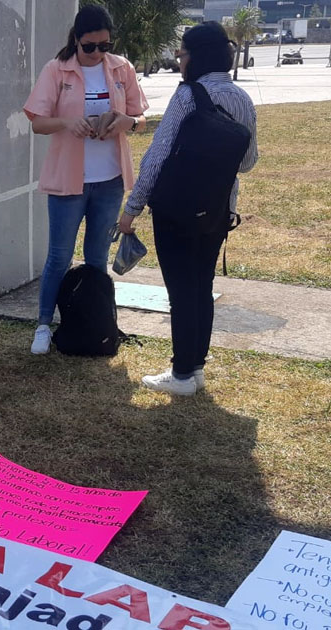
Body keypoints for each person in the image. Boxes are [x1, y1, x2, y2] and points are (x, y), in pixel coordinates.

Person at [118, 22, 259, 396]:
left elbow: (157, 156)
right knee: (200, 287)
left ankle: (181, 375)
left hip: (176, 210)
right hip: (217, 210)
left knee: (180, 291)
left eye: (181, 54)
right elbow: (247, 162)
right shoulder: (243, 99)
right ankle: (195, 369)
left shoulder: (187, 96)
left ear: (196, 57)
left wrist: (132, 209)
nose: (179, 61)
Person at [23, 4, 148, 354]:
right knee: (59, 257)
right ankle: (43, 325)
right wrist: (67, 122)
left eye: (104, 46)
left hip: (109, 180)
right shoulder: (57, 69)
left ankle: (96, 324)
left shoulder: (121, 68)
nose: (97, 53)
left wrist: (126, 121)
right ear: (76, 40)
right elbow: (37, 122)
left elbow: (140, 119)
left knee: (97, 257)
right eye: (89, 46)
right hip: (68, 180)